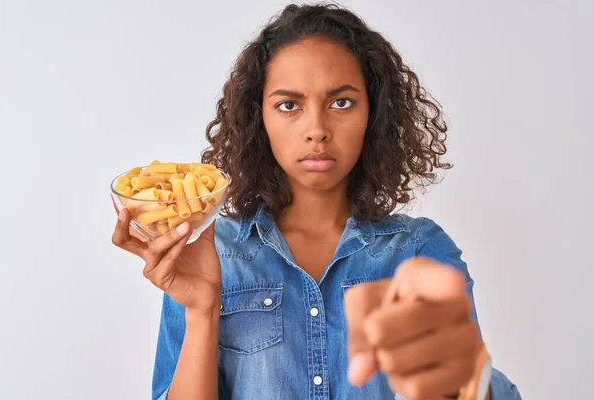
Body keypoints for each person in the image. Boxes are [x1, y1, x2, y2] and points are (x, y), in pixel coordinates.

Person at [112, 3, 521, 399]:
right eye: (289, 105)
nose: (317, 129)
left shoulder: (418, 252)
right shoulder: (209, 254)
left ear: (373, 113)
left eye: (341, 102)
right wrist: (202, 311)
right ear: (260, 119)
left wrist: (460, 370)